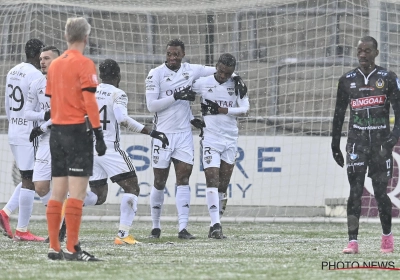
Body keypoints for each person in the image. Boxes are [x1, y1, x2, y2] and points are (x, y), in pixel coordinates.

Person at [88, 59, 169, 245]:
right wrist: (151, 132)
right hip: (109, 148)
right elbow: (122, 119)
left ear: (101, 75)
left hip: (89, 148)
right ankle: (123, 235)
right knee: (132, 188)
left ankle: (70, 203)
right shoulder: (118, 93)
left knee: (98, 196)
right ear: (118, 75)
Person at [331, 36, 400, 254]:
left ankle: (387, 239)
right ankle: (353, 241)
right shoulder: (346, 80)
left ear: (376, 53)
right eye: (360, 50)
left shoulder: (388, 78)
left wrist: (391, 141)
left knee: (380, 193)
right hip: (356, 144)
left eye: (367, 50)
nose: (363, 54)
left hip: (380, 145)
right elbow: (339, 115)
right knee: (354, 192)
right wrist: (335, 144)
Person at [26, 46, 102, 243]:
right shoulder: (35, 84)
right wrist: (44, 116)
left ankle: (62, 227)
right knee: (41, 187)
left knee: (70, 186)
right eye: (41, 58)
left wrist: (43, 126)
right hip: (45, 141)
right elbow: (27, 113)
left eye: (47, 58)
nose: (42, 62)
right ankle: (86, 199)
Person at [45, 17, 106, 261]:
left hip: (56, 133)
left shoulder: (55, 65)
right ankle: (72, 248)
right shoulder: (85, 63)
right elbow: (90, 101)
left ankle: (54, 247)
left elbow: (51, 100)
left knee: (56, 193)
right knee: (77, 194)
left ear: (66, 36)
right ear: (86, 38)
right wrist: (98, 133)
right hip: (77, 131)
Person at [191, 53, 249, 238]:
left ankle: (216, 223)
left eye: (228, 73)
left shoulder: (237, 84)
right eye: (221, 71)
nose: (223, 76)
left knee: (223, 186)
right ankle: (215, 225)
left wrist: (221, 109)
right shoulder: (203, 82)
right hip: (210, 137)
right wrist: (192, 119)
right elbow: (185, 98)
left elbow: (245, 109)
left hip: (230, 138)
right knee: (212, 179)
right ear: (217, 66)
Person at [0, 38, 46, 242]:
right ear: (38, 55)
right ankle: (22, 230)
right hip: (29, 132)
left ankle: (5, 213)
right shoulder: (36, 75)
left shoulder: (13, 70)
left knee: (32, 177)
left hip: (14, 130)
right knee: (32, 180)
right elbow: (37, 106)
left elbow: (9, 103)